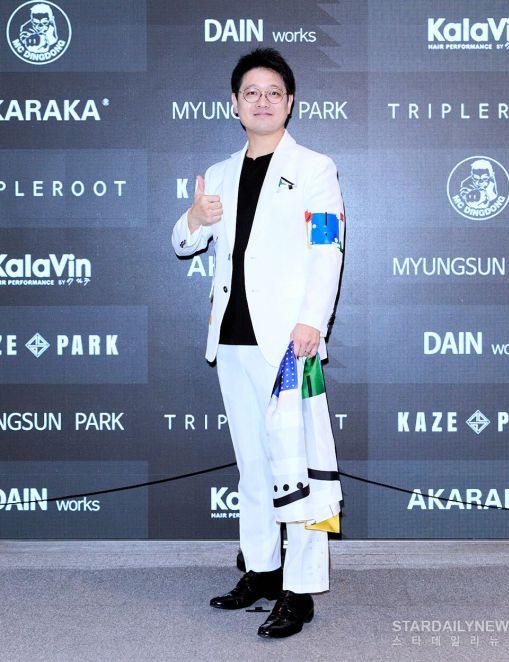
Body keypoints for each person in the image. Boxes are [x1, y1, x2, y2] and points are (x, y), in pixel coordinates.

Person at [172, 48, 344, 639]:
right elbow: (182, 243)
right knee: (252, 466)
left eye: (273, 92)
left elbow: (328, 248)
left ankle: (301, 590)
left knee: (298, 468)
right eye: (251, 92)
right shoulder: (219, 174)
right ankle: (263, 570)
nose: (262, 101)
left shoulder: (315, 168)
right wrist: (195, 217)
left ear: (289, 103)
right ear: (235, 104)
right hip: (232, 340)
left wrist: (312, 321)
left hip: (290, 343)